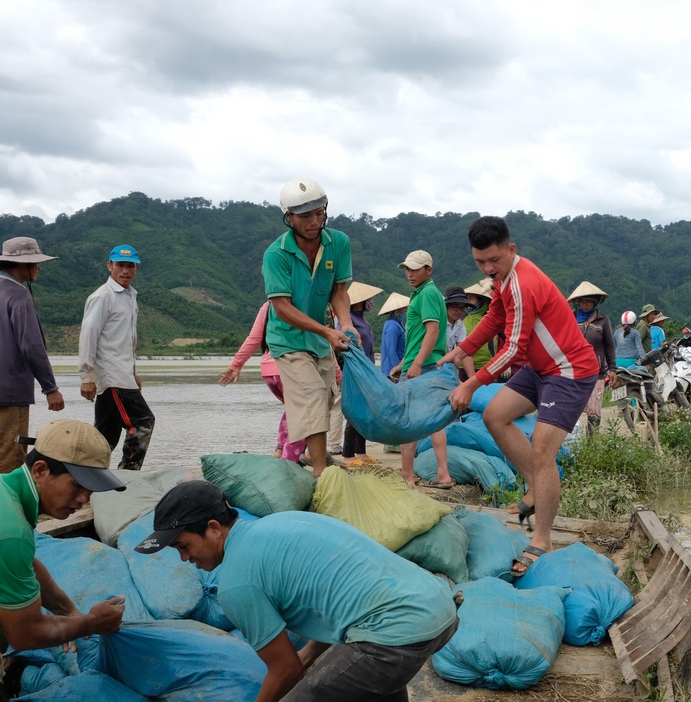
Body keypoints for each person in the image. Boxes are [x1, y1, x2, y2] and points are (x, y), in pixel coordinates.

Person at [135, 480, 458, 702]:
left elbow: (285, 670)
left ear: (214, 528)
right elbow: (333, 596)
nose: (184, 558)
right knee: (373, 685)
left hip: (395, 635)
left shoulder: (237, 583)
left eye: (183, 545)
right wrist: (309, 653)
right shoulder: (284, 521)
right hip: (439, 609)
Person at [441, 216, 599, 578]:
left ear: (511, 249)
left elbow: (513, 348)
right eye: (479, 262)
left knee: (544, 449)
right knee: (495, 416)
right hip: (541, 369)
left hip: (568, 369)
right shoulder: (503, 281)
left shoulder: (522, 284)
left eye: (493, 260)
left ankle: (542, 539)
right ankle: (535, 487)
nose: (487, 268)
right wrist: (463, 349)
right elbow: (494, 319)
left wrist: (471, 384)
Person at [0, 420, 126, 673]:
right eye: (77, 485)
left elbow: (28, 565)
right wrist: (91, 623)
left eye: (90, 489)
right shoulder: (11, 533)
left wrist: (69, 612)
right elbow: (26, 635)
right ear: (40, 470)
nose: (83, 500)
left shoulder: (7, 489)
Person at [261, 177, 356, 479]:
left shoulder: (338, 242)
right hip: (287, 340)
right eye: (305, 216)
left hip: (319, 340)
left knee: (328, 398)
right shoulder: (276, 254)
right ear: (288, 218)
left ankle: (308, 455)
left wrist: (347, 323)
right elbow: (282, 308)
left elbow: (339, 292)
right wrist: (327, 331)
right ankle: (319, 471)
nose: (315, 221)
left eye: (319, 212)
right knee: (313, 394)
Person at [78, 244, 154, 471]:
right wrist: (86, 375)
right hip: (111, 376)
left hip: (122, 375)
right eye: (120, 265)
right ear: (109, 265)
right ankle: (128, 475)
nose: (125, 270)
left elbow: (124, 342)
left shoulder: (130, 296)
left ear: (136, 268)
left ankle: (83, 477)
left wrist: (133, 374)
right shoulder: (103, 296)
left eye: (130, 265)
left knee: (104, 436)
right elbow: (88, 335)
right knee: (143, 422)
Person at [0, 237, 65, 474]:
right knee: (10, 458)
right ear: (22, 265)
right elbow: (31, 346)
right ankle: (7, 509)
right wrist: (50, 388)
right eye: (35, 263)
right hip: (9, 393)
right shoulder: (19, 295)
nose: (38, 267)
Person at [218, 302, 306, 464]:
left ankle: (279, 451)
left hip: (269, 370)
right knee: (305, 417)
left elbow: (254, 337)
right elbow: (319, 341)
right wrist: (338, 376)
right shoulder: (302, 300)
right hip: (290, 368)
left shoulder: (270, 304)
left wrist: (237, 364)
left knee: (293, 411)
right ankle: (287, 464)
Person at [395, 251, 452, 489]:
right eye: (407, 269)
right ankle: (443, 474)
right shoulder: (425, 293)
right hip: (426, 363)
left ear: (428, 270)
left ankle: (407, 475)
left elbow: (433, 331)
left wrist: (416, 363)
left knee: (407, 420)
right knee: (432, 421)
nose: (409, 274)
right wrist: (403, 363)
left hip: (423, 365)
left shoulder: (427, 293)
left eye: (415, 269)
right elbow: (421, 336)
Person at [338, 282, 382, 463]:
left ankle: (360, 452)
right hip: (355, 371)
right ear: (359, 302)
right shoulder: (347, 320)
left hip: (367, 369)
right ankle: (348, 453)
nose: (370, 302)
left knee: (363, 410)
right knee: (356, 410)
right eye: (367, 300)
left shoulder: (361, 319)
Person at [566, 281, 616, 435]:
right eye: (582, 301)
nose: (585, 304)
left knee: (594, 411)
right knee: (570, 409)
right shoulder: (571, 318)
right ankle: (570, 443)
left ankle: (591, 444)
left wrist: (613, 369)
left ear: (595, 301)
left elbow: (609, 344)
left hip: (596, 372)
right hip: (573, 371)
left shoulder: (603, 320)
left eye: (588, 301)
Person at [377, 293, 408, 455]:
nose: (406, 310)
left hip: (393, 370)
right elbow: (390, 349)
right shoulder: (393, 325)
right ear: (397, 310)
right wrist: (396, 369)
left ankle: (394, 441)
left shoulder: (397, 324)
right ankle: (391, 442)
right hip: (392, 372)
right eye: (404, 308)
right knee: (394, 407)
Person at [461, 278, 496, 373]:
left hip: (485, 365)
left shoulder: (491, 318)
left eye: (471, 299)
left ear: (481, 300)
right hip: (462, 366)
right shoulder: (461, 317)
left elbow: (506, 338)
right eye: (466, 299)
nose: (468, 302)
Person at [444, 287, 477, 381]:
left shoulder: (460, 326)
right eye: (455, 307)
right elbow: (443, 350)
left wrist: (472, 379)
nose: (459, 311)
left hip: (446, 365)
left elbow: (463, 351)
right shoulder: (438, 323)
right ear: (447, 306)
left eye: (462, 308)